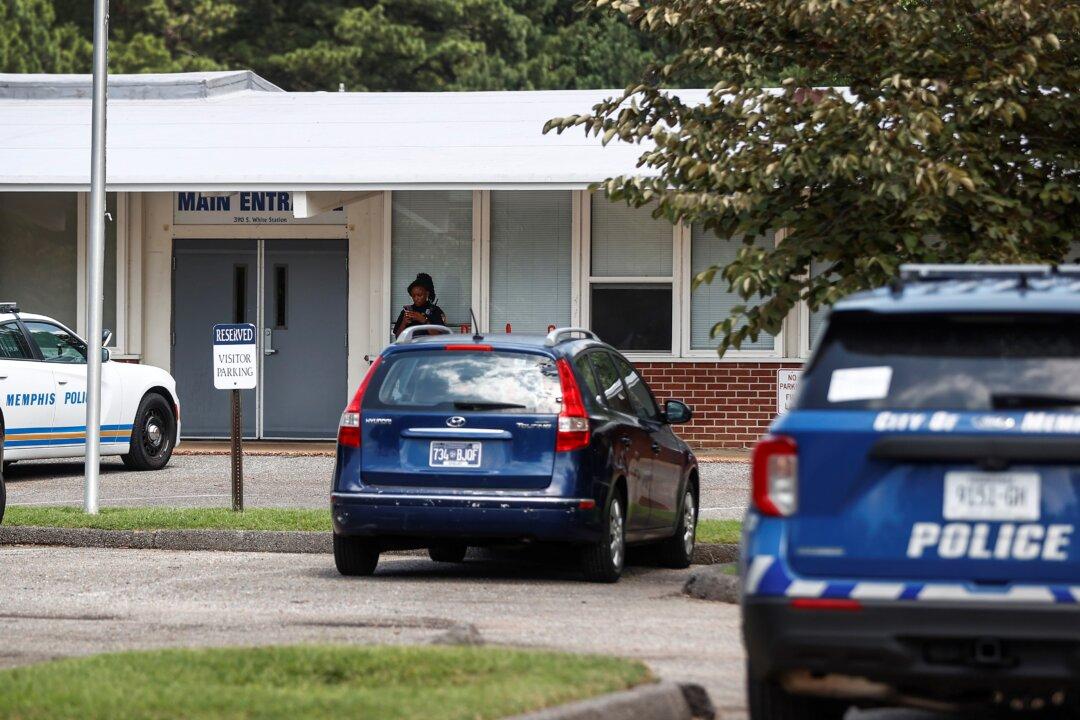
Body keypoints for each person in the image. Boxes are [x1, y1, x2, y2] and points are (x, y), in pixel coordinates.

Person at [393, 272, 448, 337]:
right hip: (411, 346)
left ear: (427, 294)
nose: (416, 298)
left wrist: (424, 320)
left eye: (419, 295)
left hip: (429, 346)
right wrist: (404, 323)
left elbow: (440, 336)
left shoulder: (435, 311)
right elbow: (398, 337)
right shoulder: (407, 311)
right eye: (413, 296)